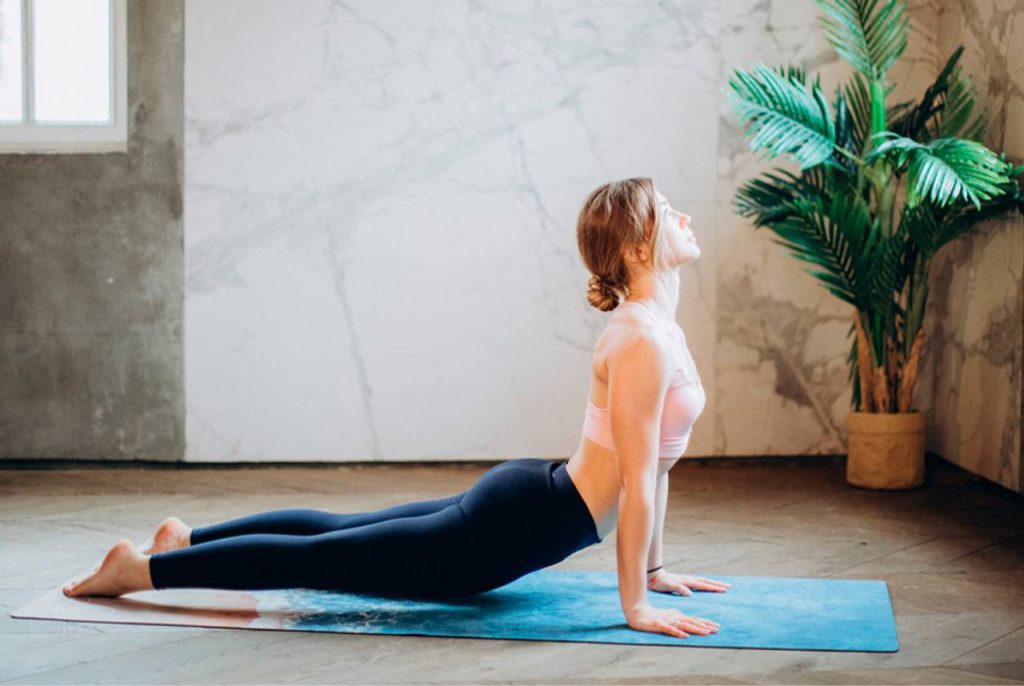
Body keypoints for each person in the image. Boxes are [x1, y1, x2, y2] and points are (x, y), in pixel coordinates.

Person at [63, 177, 728, 640]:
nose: (685, 217)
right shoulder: (641, 340)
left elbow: (656, 469)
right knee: (319, 559)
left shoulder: (657, 330)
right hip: (515, 526)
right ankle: (141, 570)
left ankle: (187, 540)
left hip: (534, 502)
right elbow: (636, 482)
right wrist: (634, 603)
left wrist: (654, 570)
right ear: (639, 248)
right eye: (669, 210)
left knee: (336, 530)